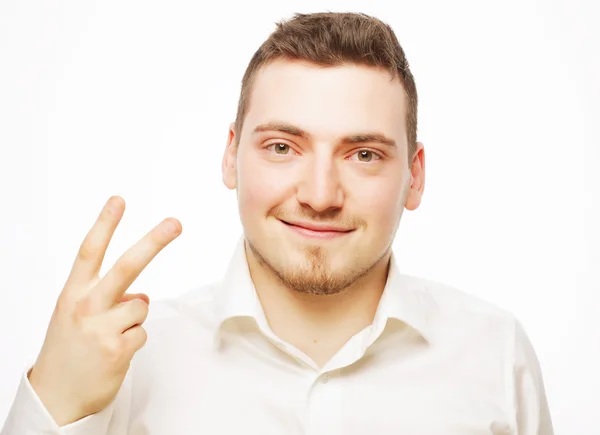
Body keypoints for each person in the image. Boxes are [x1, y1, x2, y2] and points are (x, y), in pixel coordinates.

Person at [1, 11, 553, 435]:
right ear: (230, 156)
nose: (319, 196)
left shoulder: (494, 353)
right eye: (283, 146)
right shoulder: (124, 361)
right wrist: (51, 402)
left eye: (363, 154)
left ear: (415, 176)